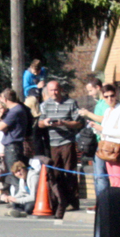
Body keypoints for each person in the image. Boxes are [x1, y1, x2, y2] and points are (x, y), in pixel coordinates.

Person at [38, 81, 82, 218]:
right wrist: (45, 123)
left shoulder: (71, 103)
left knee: (69, 172)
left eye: (56, 90)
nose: (54, 93)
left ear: (61, 90)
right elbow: (40, 123)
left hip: (67, 142)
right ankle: (58, 201)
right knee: (55, 173)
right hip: (53, 143)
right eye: (51, 90)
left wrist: (64, 123)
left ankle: (72, 202)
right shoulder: (45, 105)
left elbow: (78, 123)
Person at [80, 84, 120, 188]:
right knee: (113, 181)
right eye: (106, 96)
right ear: (103, 97)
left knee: (119, 181)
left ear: (116, 95)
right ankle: (114, 204)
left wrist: (102, 129)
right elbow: (104, 133)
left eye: (112, 95)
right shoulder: (108, 111)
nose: (110, 99)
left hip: (118, 148)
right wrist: (95, 127)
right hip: (107, 148)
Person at [0, 88, 28, 191]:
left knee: (15, 174)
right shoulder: (15, 110)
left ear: (5, 99)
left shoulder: (15, 111)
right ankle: (17, 199)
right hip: (12, 145)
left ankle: (20, 200)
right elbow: (5, 128)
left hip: (13, 146)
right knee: (13, 174)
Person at [84, 78, 110, 201]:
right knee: (97, 174)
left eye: (91, 90)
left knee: (101, 175)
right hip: (97, 140)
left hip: (104, 142)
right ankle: (99, 201)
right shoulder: (99, 103)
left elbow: (104, 119)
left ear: (98, 88)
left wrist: (88, 114)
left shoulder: (105, 103)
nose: (90, 94)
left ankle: (103, 202)